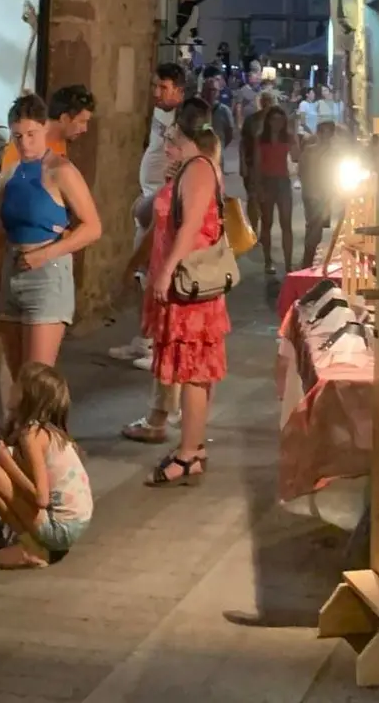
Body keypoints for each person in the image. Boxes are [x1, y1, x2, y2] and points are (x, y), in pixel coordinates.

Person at [0, 87, 101, 385]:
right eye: (17, 136)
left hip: (47, 275)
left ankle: (47, 418)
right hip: (12, 274)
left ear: (45, 128)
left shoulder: (61, 171)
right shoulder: (6, 177)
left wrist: (45, 254)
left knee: (37, 380)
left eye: (31, 134)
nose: (25, 143)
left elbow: (93, 227)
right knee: (17, 378)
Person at [143, 98, 231, 486]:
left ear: (181, 130)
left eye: (170, 134)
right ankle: (193, 446)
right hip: (191, 283)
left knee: (192, 369)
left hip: (189, 284)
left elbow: (191, 226)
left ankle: (188, 453)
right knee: (196, 368)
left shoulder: (198, 169)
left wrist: (164, 273)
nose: (166, 141)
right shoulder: (195, 166)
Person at [0, 359, 93, 569]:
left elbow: (41, 498)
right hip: (76, 522)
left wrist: (5, 461)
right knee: (3, 469)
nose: (11, 388)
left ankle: (33, 547)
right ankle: (36, 544)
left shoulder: (32, 435)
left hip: (61, 529)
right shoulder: (46, 431)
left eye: (17, 385)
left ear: (27, 397)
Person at [112, 60, 186, 369]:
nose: (156, 92)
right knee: (144, 277)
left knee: (154, 275)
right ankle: (145, 339)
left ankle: (158, 345)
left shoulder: (184, 122)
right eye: (155, 85)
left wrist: (161, 195)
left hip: (162, 203)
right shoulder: (158, 114)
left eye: (163, 87)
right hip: (149, 196)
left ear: (179, 91)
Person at [254, 104, 296, 277]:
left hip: (283, 181)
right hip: (267, 182)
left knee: (286, 223)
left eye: (280, 120)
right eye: (274, 120)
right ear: (268, 121)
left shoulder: (288, 137)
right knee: (267, 223)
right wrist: (258, 188)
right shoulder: (261, 139)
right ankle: (268, 261)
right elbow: (257, 164)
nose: (277, 123)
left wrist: (295, 137)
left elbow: (296, 156)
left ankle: (288, 264)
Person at [299, 119, 341, 268]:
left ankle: (308, 260)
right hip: (313, 194)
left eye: (329, 132)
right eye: (324, 132)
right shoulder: (310, 151)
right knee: (314, 228)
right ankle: (307, 261)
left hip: (326, 195)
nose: (326, 136)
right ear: (318, 133)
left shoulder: (334, 153)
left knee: (316, 228)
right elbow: (302, 172)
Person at [238, 87, 275, 236]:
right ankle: (253, 230)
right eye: (264, 101)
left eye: (269, 101)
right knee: (253, 199)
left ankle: (265, 232)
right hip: (252, 165)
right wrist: (242, 164)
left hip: (271, 167)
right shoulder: (251, 121)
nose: (266, 104)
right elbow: (243, 143)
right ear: (260, 102)